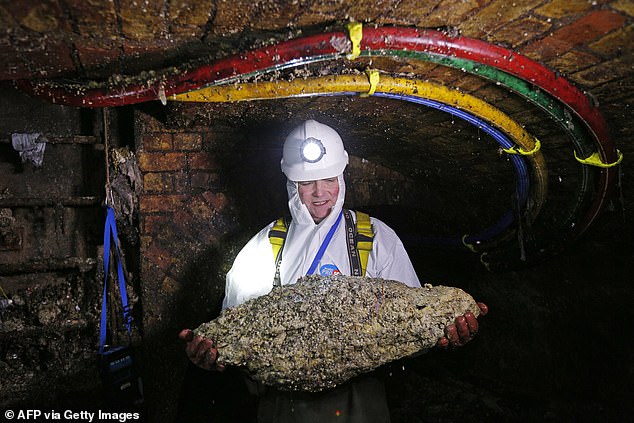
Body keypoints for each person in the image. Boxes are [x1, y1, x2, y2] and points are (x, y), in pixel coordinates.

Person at [179, 119, 487, 422]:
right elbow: (235, 337)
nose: (320, 192)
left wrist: (447, 333)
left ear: (342, 178)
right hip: (283, 407)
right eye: (307, 182)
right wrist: (212, 355)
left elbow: (412, 329)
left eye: (329, 179)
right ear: (291, 184)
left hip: (361, 405)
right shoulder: (265, 246)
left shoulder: (375, 237)